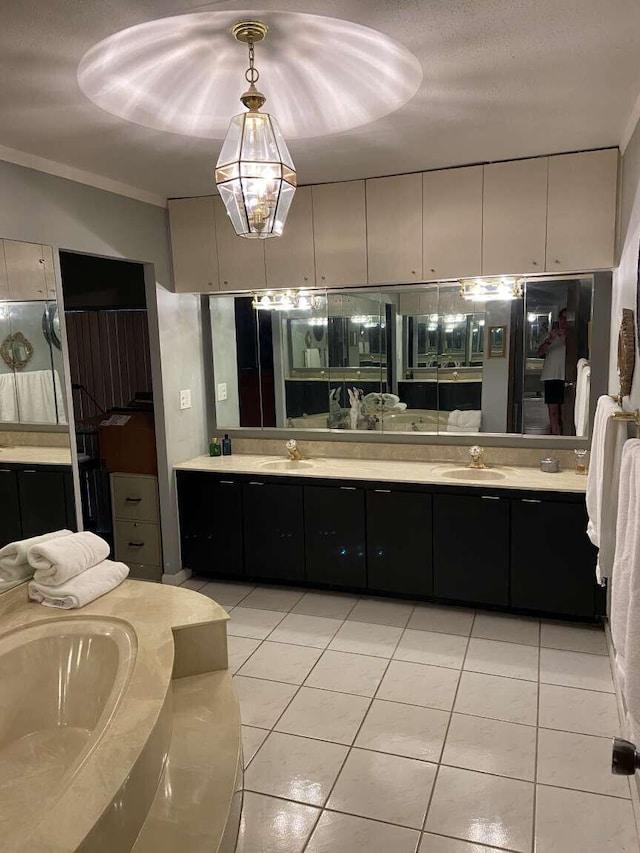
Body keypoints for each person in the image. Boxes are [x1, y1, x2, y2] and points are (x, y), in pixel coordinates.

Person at [537, 308, 567, 435]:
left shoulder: (575, 337)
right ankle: (557, 438)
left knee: (566, 413)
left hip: (568, 377)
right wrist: (550, 339)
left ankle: (568, 439)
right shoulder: (549, 336)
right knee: (553, 413)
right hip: (551, 377)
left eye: (567, 318)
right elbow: (540, 352)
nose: (564, 321)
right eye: (562, 318)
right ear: (559, 319)